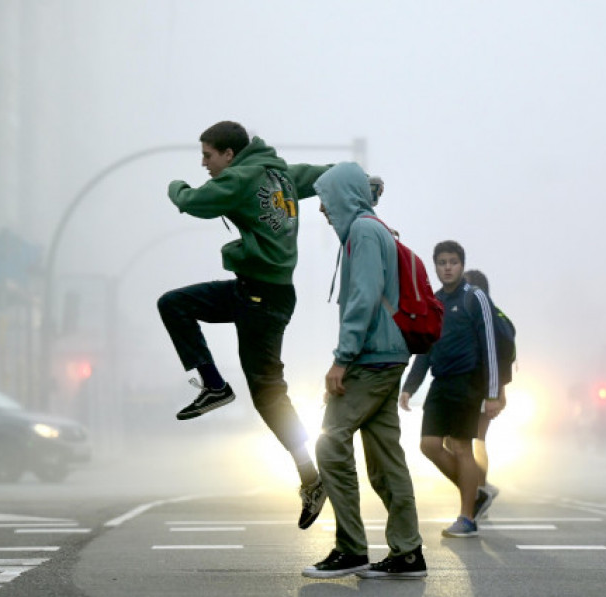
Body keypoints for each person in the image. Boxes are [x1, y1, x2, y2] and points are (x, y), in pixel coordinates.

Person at [157, 120, 330, 530]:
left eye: (208, 155)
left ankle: (313, 476)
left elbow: (194, 202)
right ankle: (213, 385)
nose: (204, 164)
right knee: (174, 304)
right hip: (253, 290)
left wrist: (175, 186)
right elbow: (326, 174)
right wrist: (364, 180)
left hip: (261, 299)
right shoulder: (280, 173)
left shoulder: (239, 178)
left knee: (269, 393)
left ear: (229, 154)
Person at [303, 162, 427, 580]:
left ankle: (352, 548)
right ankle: (408, 552)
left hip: (371, 357)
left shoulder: (363, 232)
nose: (321, 208)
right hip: (388, 356)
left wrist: (342, 358)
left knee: (330, 444)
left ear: (342, 195)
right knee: (385, 459)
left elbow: (364, 296)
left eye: (325, 198)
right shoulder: (372, 229)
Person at [400, 241, 502, 538]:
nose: (447, 267)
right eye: (442, 262)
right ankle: (475, 493)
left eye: (453, 262)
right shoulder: (434, 301)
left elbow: (490, 347)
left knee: (460, 447)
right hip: (440, 382)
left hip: (467, 382)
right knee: (429, 445)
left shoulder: (475, 298)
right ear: (435, 266)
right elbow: (425, 348)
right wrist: (409, 386)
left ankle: (467, 517)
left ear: (461, 264)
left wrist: (493, 393)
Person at [460, 268, 506, 518]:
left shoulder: (486, 319)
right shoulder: (488, 316)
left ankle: (479, 492)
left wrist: (497, 393)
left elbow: (496, 358)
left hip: (481, 390)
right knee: (473, 442)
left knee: (472, 441)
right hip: (479, 389)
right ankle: (479, 489)